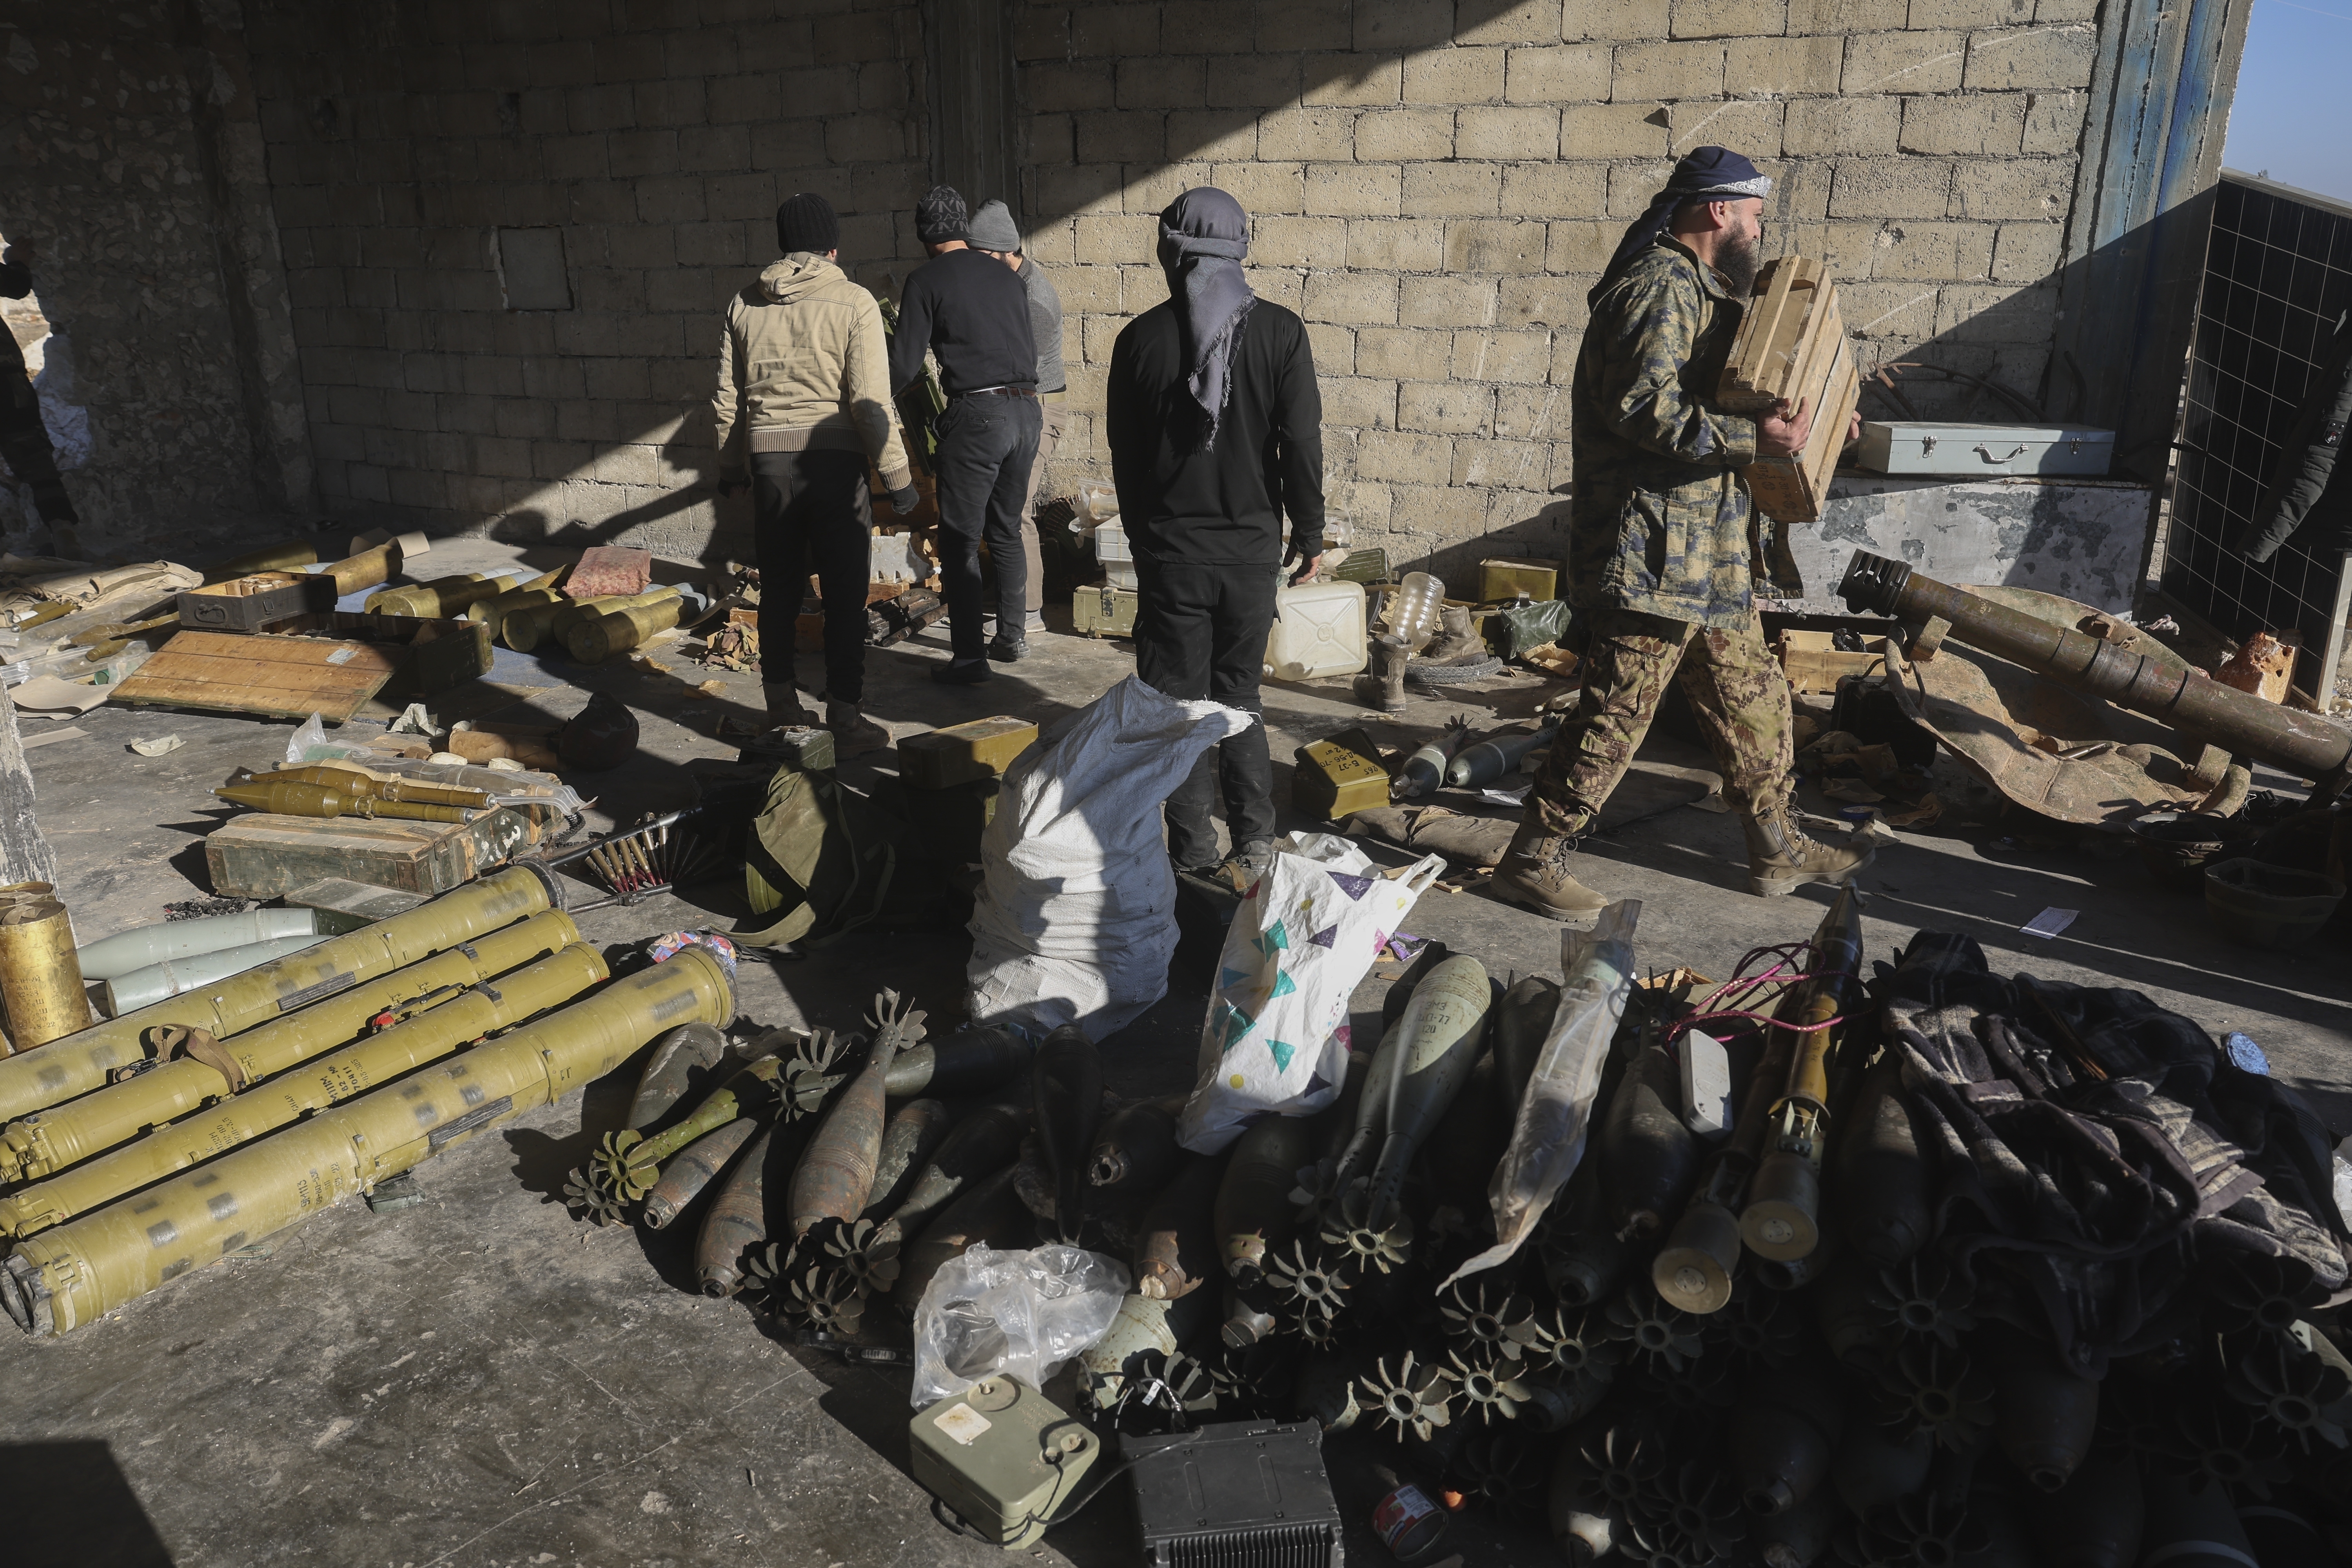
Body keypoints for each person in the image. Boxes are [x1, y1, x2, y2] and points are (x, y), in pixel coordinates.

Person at [1490, 146, 1875, 925]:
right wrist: (1753, 440)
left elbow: (1739, 395)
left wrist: (1820, 422)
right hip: (1653, 554)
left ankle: (1776, 845)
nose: (1760, 229)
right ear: (1719, 210)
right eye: (1755, 214)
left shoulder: (1703, 292)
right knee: (1618, 709)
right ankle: (1532, 857)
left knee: (1753, 694)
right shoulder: (1657, 288)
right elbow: (1639, 408)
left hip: (1707, 551)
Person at [1107, 187, 1325, 878]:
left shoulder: (1138, 341)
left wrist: (1149, 545)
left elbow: (1128, 461)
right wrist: (1309, 535)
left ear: (1172, 247)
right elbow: (1302, 445)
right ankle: (1256, 846)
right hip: (1252, 556)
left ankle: (1194, 858)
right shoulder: (1282, 333)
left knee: (1180, 711)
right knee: (1240, 698)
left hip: (1174, 556)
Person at [712, 192, 915, 756]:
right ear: (833, 247)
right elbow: (871, 400)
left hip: (771, 469)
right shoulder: (854, 303)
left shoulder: (743, 304)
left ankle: (781, 711)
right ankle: (846, 722)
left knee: (778, 591)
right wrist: (897, 477)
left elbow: (728, 400)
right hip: (835, 467)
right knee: (845, 597)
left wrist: (731, 468)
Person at [888, 186, 1040, 683]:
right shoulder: (1009, 275)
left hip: (978, 418)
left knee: (959, 541)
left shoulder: (925, 280)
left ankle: (971, 661)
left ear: (923, 234)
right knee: (1007, 529)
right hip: (1026, 412)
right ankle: (1011, 637)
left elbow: (905, 366)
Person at [967, 199, 1063, 639]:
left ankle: (1028, 613)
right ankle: (1008, 605)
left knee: (1017, 508)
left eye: (983, 258)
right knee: (1000, 508)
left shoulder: (1036, 298)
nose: (977, 268)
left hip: (1038, 407)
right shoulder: (1000, 282)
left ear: (1007, 251)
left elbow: (1024, 364)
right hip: (1013, 406)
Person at [0, 238, 82, 557]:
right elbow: (16, 285)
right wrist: (18, 261)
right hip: (7, 381)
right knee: (36, 461)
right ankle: (63, 530)